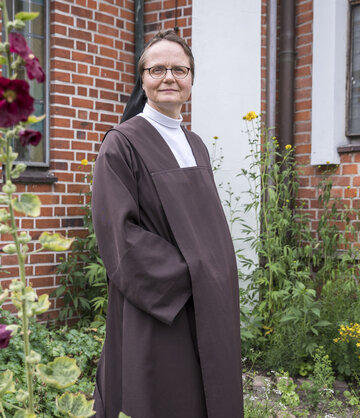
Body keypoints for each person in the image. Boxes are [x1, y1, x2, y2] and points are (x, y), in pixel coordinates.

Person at [91, 30, 243, 418]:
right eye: (157, 69)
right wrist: (191, 276)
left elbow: (206, 226)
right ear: (142, 79)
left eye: (179, 68)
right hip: (160, 304)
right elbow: (119, 236)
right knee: (161, 396)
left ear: (191, 78)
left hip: (207, 300)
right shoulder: (122, 144)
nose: (169, 77)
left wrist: (215, 276)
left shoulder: (195, 145)